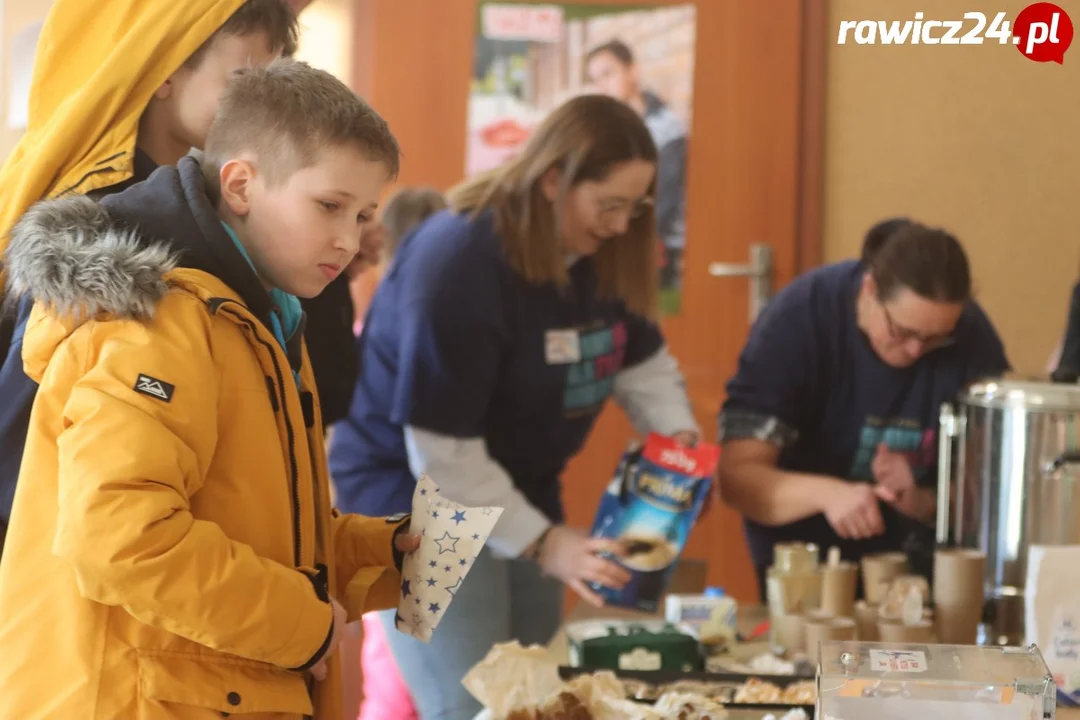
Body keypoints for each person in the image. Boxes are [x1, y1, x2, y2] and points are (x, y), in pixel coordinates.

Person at [0, 58, 417, 720]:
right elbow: (123, 539)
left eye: (364, 214)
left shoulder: (262, 318)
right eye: (329, 206)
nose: (349, 239)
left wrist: (386, 556)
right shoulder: (161, 320)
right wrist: (300, 626)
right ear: (242, 184)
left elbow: (250, 530)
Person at [327, 94, 700, 719]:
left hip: (521, 488)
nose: (619, 225)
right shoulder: (459, 260)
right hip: (420, 501)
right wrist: (548, 545)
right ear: (553, 180)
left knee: (539, 698)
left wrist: (679, 445)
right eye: (608, 205)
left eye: (634, 209)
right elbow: (443, 454)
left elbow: (644, 364)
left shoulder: (605, 255)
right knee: (474, 705)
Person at [0, 0, 300, 558]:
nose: (264, 105)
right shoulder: (100, 219)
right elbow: (23, 444)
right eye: (245, 78)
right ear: (163, 68)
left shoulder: (204, 206)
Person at [717, 219, 1010, 599]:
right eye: (902, 332)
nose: (915, 351)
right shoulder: (798, 319)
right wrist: (830, 495)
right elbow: (738, 478)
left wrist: (925, 501)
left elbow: (993, 491)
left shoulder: (969, 334)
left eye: (935, 339)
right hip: (805, 554)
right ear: (870, 290)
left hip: (916, 561)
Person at [352, 187, 446, 720]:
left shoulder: (369, 324)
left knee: (389, 662)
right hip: (398, 514)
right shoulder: (405, 322)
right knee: (396, 668)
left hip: (389, 510)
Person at [585, 38, 687, 293]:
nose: (603, 86)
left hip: (655, 244)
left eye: (608, 74)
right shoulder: (603, 130)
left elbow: (665, 201)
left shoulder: (667, 128)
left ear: (633, 71)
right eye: (595, 80)